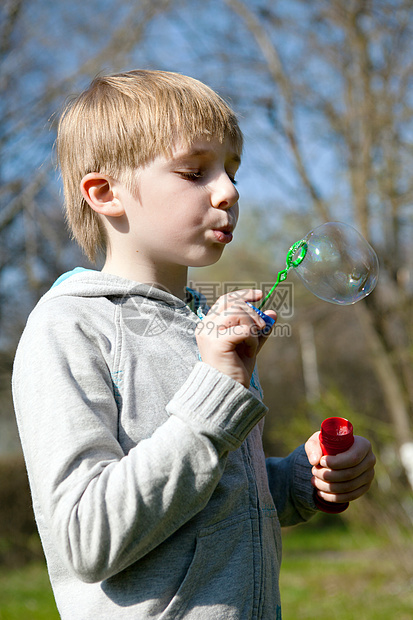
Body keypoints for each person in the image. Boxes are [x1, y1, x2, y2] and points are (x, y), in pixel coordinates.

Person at [12, 70, 375, 619]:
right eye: (194, 171)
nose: (229, 191)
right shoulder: (69, 328)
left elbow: (211, 497)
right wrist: (216, 396)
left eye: (231, 170)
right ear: (105, 192)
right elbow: (87, 536)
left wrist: (300, 478)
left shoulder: (204, 325)